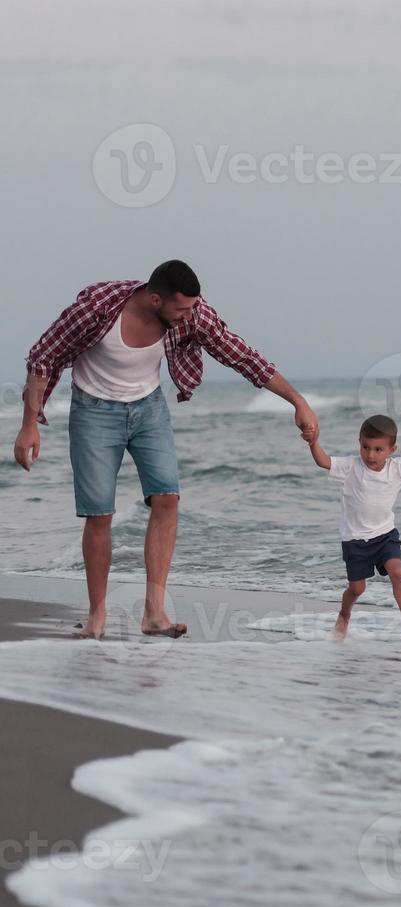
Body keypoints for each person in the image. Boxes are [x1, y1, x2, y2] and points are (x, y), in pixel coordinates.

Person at [12, 260, 319, 640]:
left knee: (167, 498)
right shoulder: (98, 308)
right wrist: (29, 424)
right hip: (94, 411)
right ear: (154, 298)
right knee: (99, 515)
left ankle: (154, 613)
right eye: (183, 308)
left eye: (193, 306)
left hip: (148, 409)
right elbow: (43, 355)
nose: (191, 314)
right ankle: (96, 616)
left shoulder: (193, 314)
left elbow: (242, 356)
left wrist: (297, 401)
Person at [307, 414, 401, 640]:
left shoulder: (398, 469)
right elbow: (323, 461)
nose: (370, 454)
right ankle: (344, 615)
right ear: (359, 443)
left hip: (385, 534)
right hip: (355, 539)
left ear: (392, 449)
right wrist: (313, 443)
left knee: (398, 572)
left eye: (378, 449)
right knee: (357, 589)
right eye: (365, 447)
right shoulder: (351, 467)